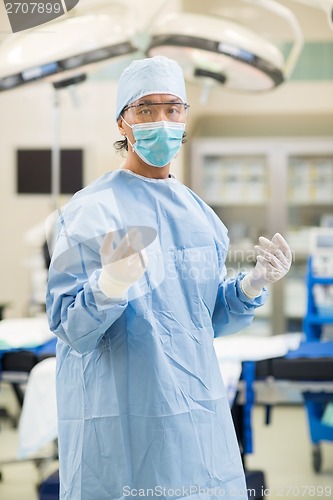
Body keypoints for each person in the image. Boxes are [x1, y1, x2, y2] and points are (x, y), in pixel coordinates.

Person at [46, 56, 292, 500]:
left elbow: (203, 320)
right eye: (146, 109)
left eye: (173, 108)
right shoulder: (89, 212)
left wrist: (251, 286)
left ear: (184, 117)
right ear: (123, 123)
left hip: (196, 420)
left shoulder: (201, 216)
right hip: (119, 423)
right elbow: (68, 327)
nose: (162, 121)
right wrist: (110, 286)